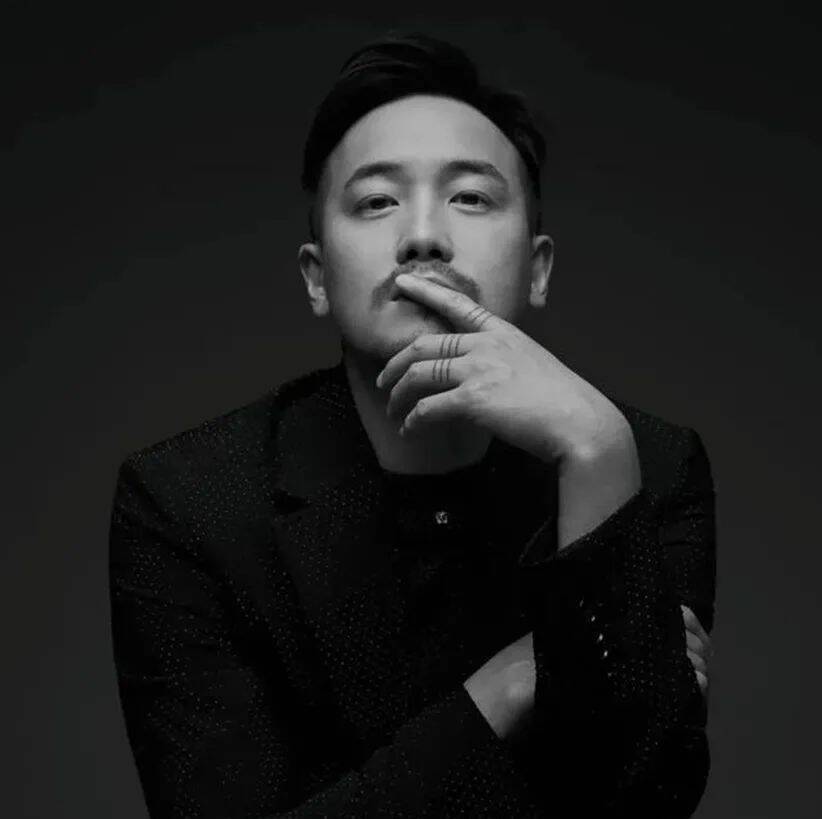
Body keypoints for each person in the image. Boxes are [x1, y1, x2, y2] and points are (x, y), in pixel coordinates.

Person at [108, 31, 716, 818]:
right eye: (376, 201)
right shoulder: (187, 503)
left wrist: (597, 454)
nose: (424, 235)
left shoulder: (648, 466)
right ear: (317, 277)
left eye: (471, 197)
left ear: (538, 269)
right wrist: (511, 683)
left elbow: (644, 799)